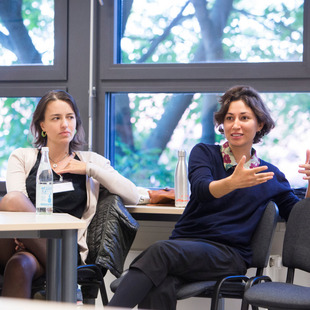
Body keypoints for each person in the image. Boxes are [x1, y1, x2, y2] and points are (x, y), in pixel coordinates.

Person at [108, 85, 310, 310]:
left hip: (228, 255)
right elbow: (203, 190)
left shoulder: (268, 175)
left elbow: (298, 216)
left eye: (244, 118)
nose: (235, 125)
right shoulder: (204, 153)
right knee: (160, 283)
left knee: (159, 252)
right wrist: (232, 182)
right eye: (229, 118)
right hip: (184, 246)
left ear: (259, 124)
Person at [0, 90, 139, 298]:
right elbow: (18, 203)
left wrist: (88, 169)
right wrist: (27, 237)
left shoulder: (90, 161)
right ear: (43, 126)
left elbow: (133, 195)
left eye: (70, 117)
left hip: (63, 248)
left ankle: (65, 280)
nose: (65, 124)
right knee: (19, 262)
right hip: (22, 244)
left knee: (12, 206)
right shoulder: (22, 157)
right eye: (56, 118)